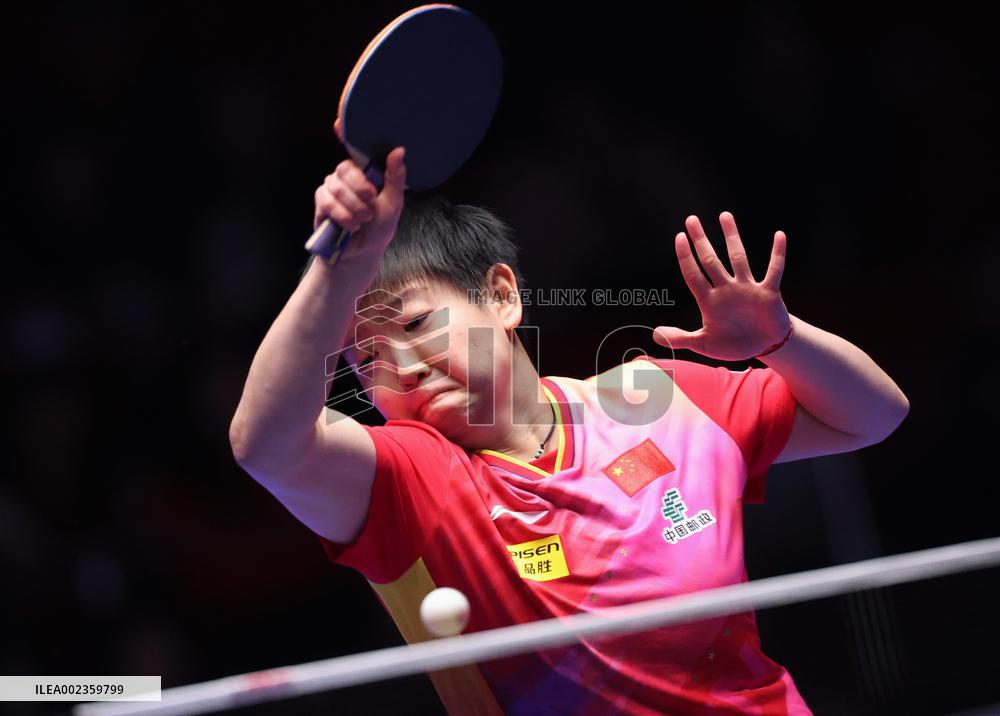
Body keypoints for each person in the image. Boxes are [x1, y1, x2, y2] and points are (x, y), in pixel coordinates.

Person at [229, 138, 909, 714]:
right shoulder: (411, 483)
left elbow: (874, 415)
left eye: (414, 324)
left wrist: (782, 340)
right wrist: (334, 272)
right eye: (367, 357)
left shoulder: (659, 401)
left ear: (500, 295)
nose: (401, 365)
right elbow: (264, 445)